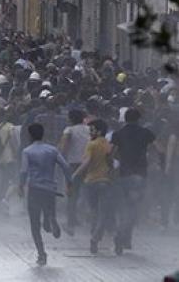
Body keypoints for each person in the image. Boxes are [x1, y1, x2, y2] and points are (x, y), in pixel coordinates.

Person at [19, 123, 72, 266]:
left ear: (30, 135)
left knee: (34, 224)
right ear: (43, 135)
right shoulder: (52, 150)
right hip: (50, 189)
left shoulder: (27, 151)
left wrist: (20, 186)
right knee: (49, 211)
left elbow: (24, 171)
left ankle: (41, 254)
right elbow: (65, 166)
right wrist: (69, 182)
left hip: (35, 189)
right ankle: (51, 219)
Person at [110, 107, 155, 254]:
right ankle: (123, 236)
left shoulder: (118, 134)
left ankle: (123, 237)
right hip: (140, 175)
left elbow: (111, 154)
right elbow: (155, 148)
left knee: (124, 206)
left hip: (123, 175)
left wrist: (119, 161)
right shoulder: (146, 133)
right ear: (139, 119)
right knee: (133, 207)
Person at [72, 119, 114, 254]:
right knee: (103, 212)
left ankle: (93, 232)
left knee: (93, 210)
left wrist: (73, 175)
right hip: (105, 181)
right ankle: (96, 236)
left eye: (92, 130)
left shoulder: (91, 144)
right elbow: (111, 162)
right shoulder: (108, 144)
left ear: (99, 131)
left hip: (90, 181)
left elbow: (86, 162)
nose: (90, 132)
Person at [58, 109, 90, 234]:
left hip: (74, 164)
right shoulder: (89, 129)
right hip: (88, 163)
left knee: (72, 193)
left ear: (71, 119)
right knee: (87, 192)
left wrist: (60, 156)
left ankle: (71, 220)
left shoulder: (69, 130)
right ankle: (87, 217)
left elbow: (63, 146)